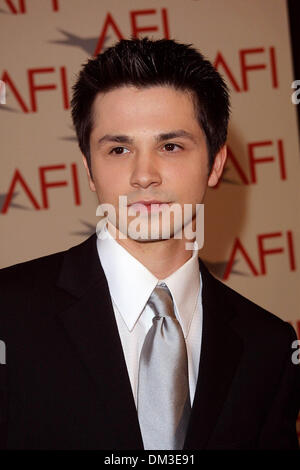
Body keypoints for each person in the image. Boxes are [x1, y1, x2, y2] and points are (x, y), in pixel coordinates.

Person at [0, 37, 299, 450]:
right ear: (89, 168)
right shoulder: (8, 315)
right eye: (119, 148)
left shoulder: (269, 346)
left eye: (170, 146)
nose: (144, 175)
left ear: (216, 163)